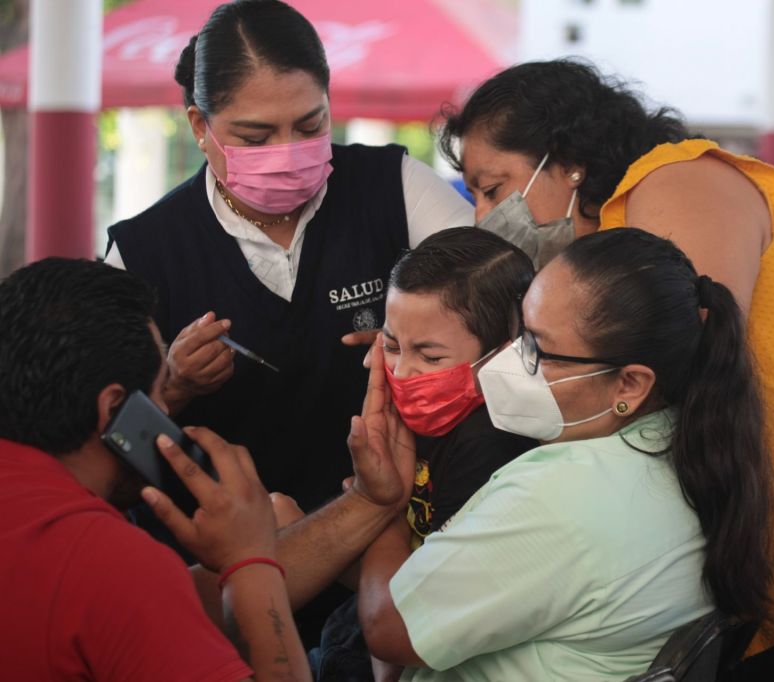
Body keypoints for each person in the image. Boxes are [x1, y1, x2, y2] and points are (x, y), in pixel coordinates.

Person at [438, 58, 774, 679]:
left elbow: (684, 370)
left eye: (493, 187)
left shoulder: (677, 179)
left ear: (565, 160)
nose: (486, 216)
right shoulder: (599, 254)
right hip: (750, 550)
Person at [355, 228, 774, 681]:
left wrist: (385, 507)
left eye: (538, 347)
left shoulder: (561, 495)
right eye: (522, 333)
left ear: (629, 385)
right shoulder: (690, 443)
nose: (511, 361)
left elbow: (388, 628)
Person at [105, 0, 473, 515]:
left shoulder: (394, 187)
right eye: (254, 138)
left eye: (309, 126)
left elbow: (499, 298)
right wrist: (174, 384)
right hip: (219, 550)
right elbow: (108, 437)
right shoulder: (144, 251)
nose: (286, 152)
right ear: (198, 126)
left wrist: (426, 337)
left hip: (391, 522)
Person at [0, 258, 307, 681]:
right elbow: (124, 594)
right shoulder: (109, 564)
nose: (166, 412)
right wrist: (250, 560)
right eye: (160, 391)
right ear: (112, 410)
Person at [309, 227, 538, 681]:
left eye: (430, 357)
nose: (402, 371)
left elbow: (410, 622)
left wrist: (379, 509)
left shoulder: (491, 442)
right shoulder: (403, 406)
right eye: (391, 345)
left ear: (505, 351)